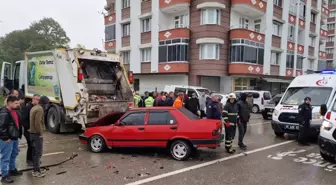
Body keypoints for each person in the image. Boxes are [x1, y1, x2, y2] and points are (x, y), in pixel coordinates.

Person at [0, 96, 22, 183]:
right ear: (9, 103)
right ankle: (4, 175)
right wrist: (5, 138)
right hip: (7, 139)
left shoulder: (14, 111)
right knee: (5, 157)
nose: (18, 105)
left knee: (14, 153)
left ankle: (12, 169)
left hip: (14, 137)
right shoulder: (4, 112)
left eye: (18, 103)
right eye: (16, 103)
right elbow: (1, 127)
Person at [30, 96, 49, 178]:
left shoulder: (34, 107)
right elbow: (37, 122)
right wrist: (41, 133)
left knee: (34, 152)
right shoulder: (40, 109)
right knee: (38, 153)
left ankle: (35, 169)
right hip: (37, 134)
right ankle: (36, 171)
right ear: (44, 103)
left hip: (32, 133)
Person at [22, 94, 40, 166]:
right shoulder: (28, 107)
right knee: (31, 145)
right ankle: (29, 160)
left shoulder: (37, 107)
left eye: (38, 99)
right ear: (32, 99)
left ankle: (34, 159)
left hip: (34, 130)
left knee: (34, 145)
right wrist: (28, 128)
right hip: (28, 130)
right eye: (35, 99)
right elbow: (23, 119)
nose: (37, 101)